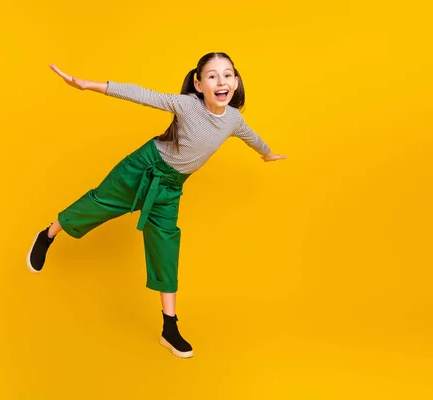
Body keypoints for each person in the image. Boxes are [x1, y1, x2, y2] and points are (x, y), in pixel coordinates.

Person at [27, 52, 286, 359]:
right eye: (213, 75)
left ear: (236, 82)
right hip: (143, 166)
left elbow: (251, 137)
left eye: (228, 74)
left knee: (165, 245)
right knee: (99, 204)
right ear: (199, 83)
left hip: (170, 187)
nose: (221, 81)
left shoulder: (233, 119)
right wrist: (89, 85)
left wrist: (267, 153)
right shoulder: (188, 105)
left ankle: (169, 327)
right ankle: (48, 234)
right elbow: (142, 94)